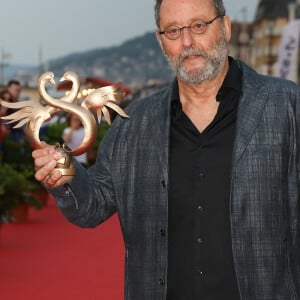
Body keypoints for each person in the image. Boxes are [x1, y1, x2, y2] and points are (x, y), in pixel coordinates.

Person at [32, 0, 300, 299]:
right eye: (173, 31)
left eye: (199, 26)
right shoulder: (134, 123)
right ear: (161, 41)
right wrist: (66, 176)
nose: (188, 41)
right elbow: (93, 206)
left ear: (225, 27)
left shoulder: (288, 107)